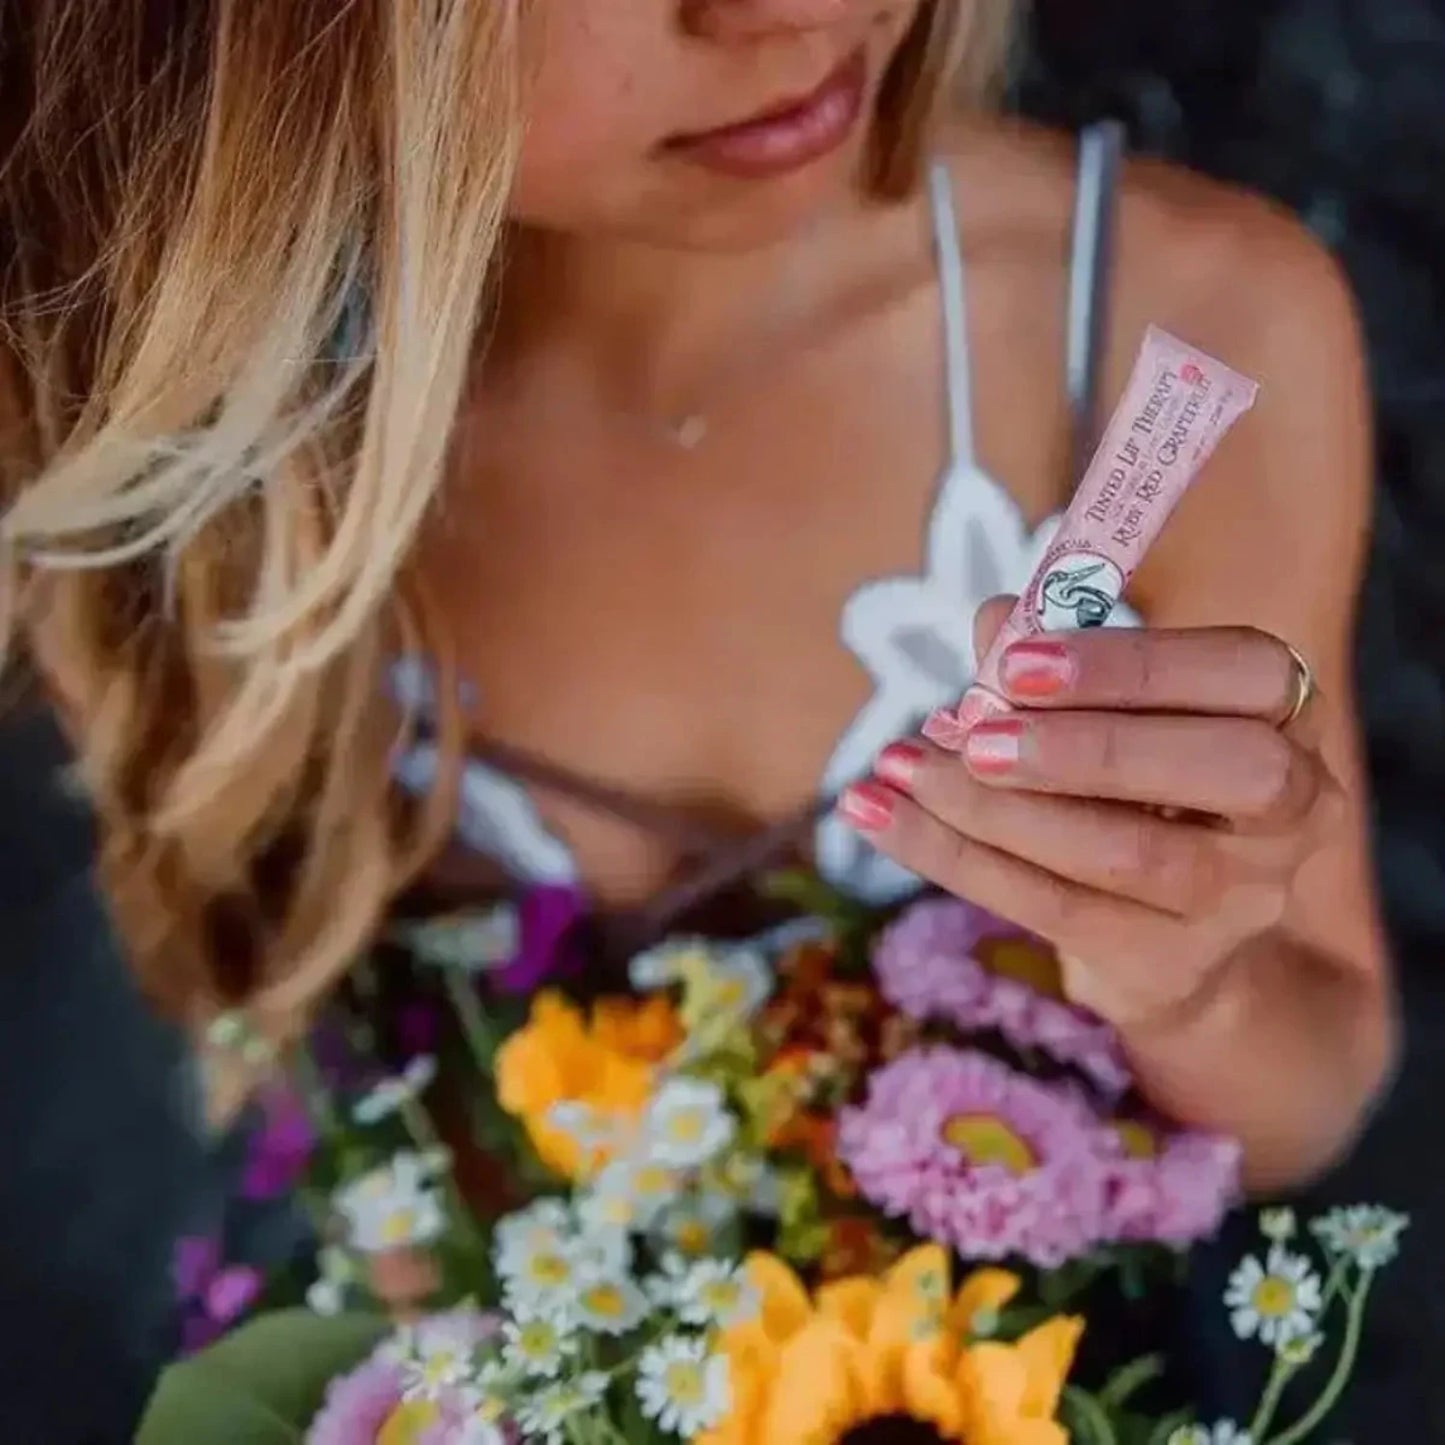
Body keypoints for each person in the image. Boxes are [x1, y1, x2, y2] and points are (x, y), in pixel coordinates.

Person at [0, 0, 1392, 1217]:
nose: (806, 10)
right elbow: (263, 1043)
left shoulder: (1179, 321)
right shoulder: (150, 415)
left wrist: (1186, 980)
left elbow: (1306, 1101)